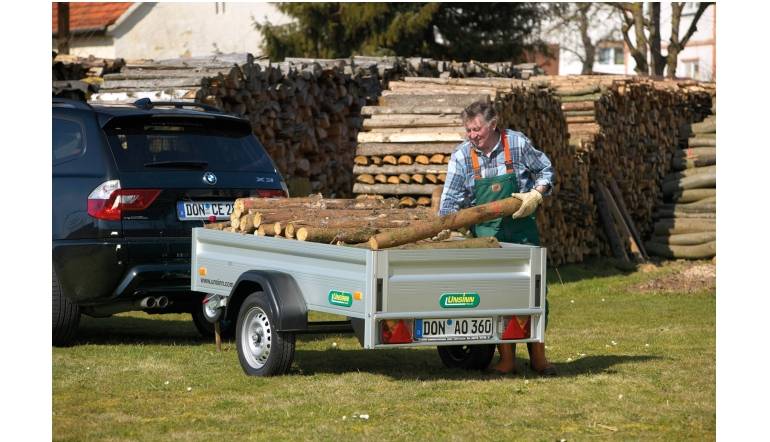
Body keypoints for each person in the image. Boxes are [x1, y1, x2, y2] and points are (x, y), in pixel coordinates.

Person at [439, 100, 557, 376]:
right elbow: (450, 200)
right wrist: (447, 224)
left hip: (523, 233)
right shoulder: (462, 157)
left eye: (476, 129)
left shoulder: (516, 144)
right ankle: (506, 360)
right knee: (497, 295)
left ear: (493, 125)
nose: (472, 135)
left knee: (535, 294)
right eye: (468, 130)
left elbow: (546, 170)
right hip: (486, 239)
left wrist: (537, 193)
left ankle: (539, 358)